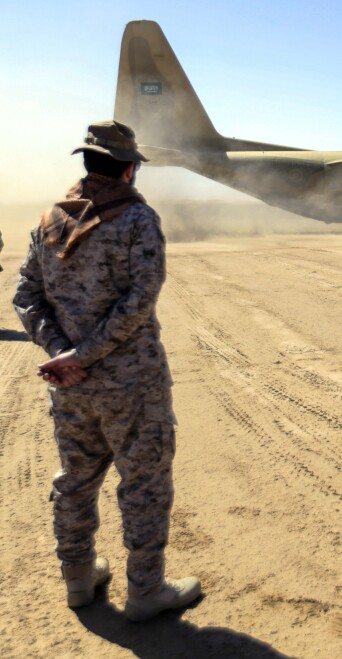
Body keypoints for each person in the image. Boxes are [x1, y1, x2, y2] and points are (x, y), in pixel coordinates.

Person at [13, 120, 201, 621]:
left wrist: (62, 353)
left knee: (77, 477)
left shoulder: (50, 220)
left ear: (88, 163)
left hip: (70, 387)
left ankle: (78, 578)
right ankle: (145, 590)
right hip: (131, 382)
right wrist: (83, 355)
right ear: (129, 168)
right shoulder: (138, 219)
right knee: (143, 482)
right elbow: (140, 300)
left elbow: (25, 296)